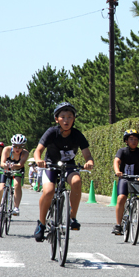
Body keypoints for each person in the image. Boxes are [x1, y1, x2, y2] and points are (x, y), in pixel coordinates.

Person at [33, 102, 94, 242]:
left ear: (74, 119)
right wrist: (38, 160)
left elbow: (87, 155)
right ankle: (41, 224)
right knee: (48, 192)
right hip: (51, 166)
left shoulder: (78, 135)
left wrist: (89, 162)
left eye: (69, 117)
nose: (66, 120)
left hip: (69, 166)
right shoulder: (51, 132)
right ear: (57, 119)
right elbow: (38, 151)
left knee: (77, 181)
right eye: (63, 117)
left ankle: (72, 217)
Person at [0, 134, 30, 222]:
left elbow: (21, 164)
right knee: (1, 188)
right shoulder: (7, 149)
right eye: (15, 146)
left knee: (17, 184)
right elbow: (2, 163)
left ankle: (16, 207)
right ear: (12, 145)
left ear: (23, 147)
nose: (17, 149)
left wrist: (14, 166)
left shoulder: (25, 153)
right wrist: (6, 165)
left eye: (20, 147)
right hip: (5, 168)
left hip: (18, 169)